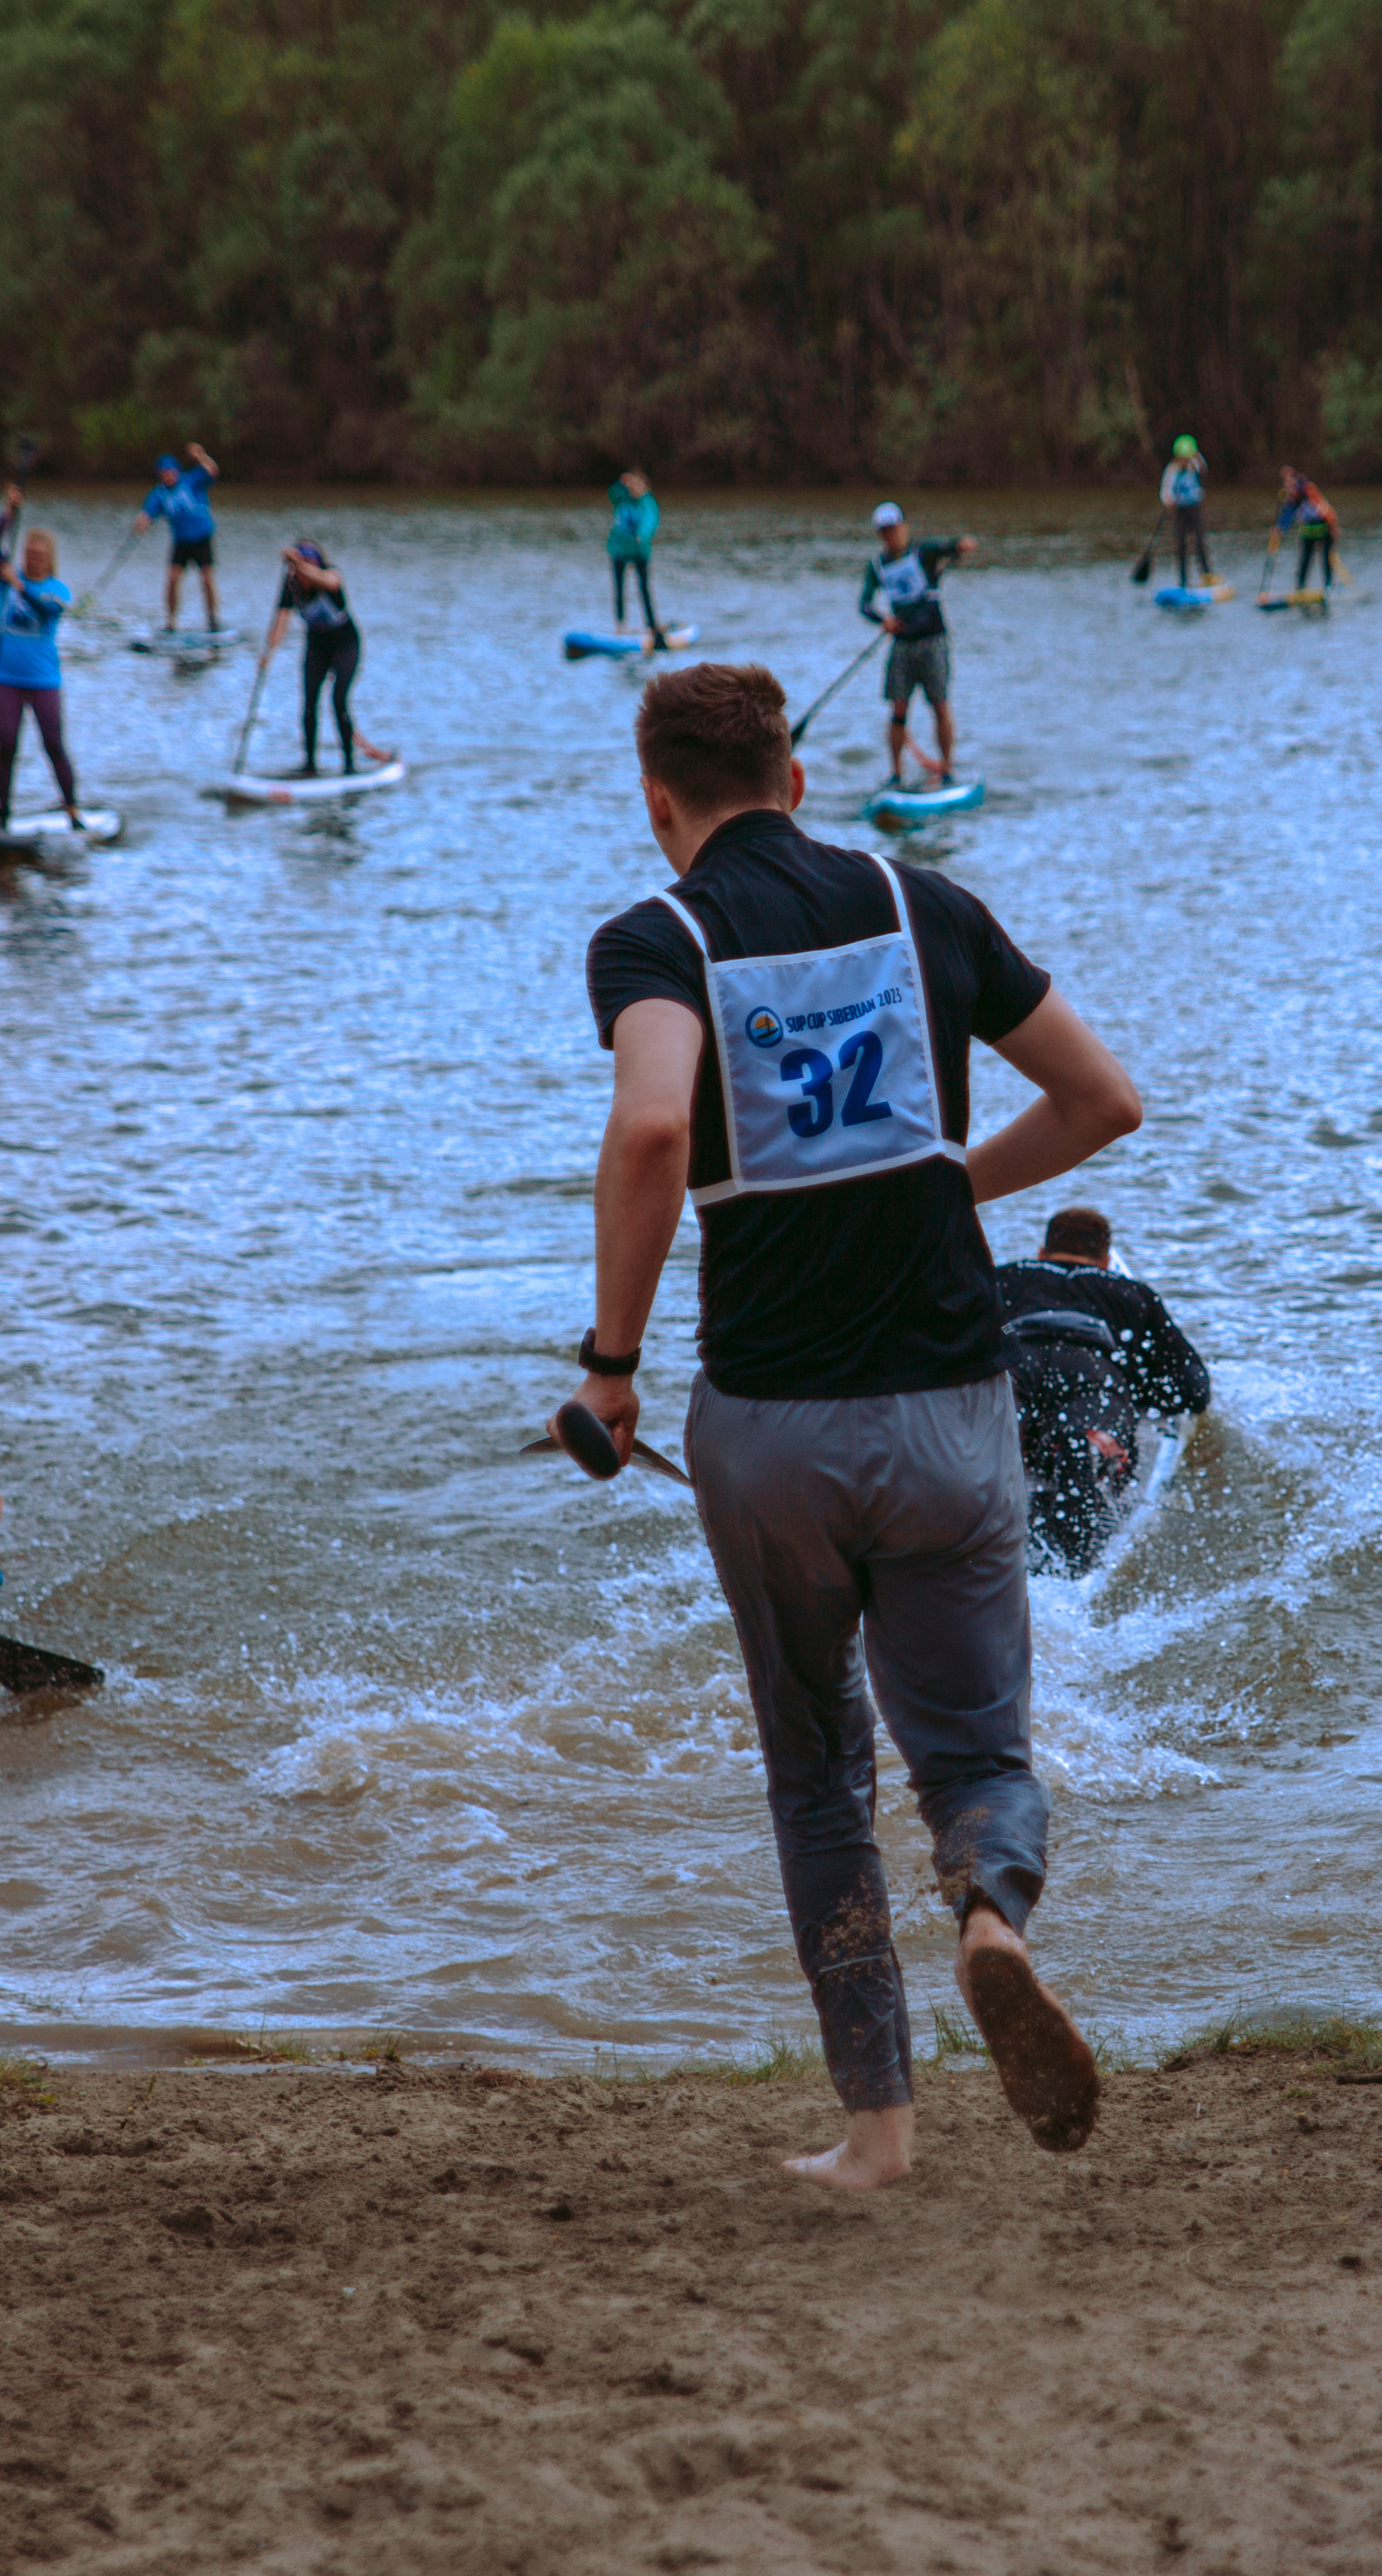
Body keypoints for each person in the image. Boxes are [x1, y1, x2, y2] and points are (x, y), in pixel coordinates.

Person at [568, 660, 1144, 2190]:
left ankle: (878, 2128)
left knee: (818, 1769)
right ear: (800, 778)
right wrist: (947, 1179)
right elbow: (1102, 1100)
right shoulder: (921, 903)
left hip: (769, 1429)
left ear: (658, 802)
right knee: (977, 1746)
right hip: (948, 1408)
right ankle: (990, 1919)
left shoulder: (655, 937)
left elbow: (650, 1124)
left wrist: (610, 1362)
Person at [996, 1208, 1209, 1576]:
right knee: (1084, 1439)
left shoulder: (1002, 1279)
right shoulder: (1130, 1293)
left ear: (1042, 1253)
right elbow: (1194, 1390)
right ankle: (1078, 1545)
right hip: (1093, 1373)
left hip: (1017, 1366)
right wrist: (1137, 1393)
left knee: (1002, 1429)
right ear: (1107, 1261)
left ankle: (1009, 1459)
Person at [858, 503, 976, 788]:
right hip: (903, 645)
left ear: (904, 527)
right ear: (880, 535)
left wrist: (962, 545)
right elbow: (865, 605)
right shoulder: (877, 566)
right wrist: (883, 620)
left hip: (933, 640)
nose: (892, 535)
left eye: (895, 529)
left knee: (940, 705)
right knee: (898, 709)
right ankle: (896, 775)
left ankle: (947, 769)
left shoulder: (924, 553)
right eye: (886, 532)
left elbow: (951, 546)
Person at [258, 540, 392, 777]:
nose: (301, 576)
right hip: (317, 647)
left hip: (346, 645)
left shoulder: (331, 576)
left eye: (305, 569)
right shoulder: (291, 585)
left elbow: (329, 581)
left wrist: (298, 563)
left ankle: (349, 766)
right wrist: (269, 653)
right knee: (309, 704)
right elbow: (281, 621)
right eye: (297, 571)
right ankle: (310, 766)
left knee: (339, 701)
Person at [0, 486, 78, 829]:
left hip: (43, 681)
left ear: (49, 558)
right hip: (6, 679)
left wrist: (21, 586)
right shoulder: (6, 580)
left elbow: (45, 611)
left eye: (39, 555)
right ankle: (2, 813)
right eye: (28, 553)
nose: (33, 559)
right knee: (7, 746)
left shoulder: (57, 590)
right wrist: (7, 514)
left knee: (53, 745)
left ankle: (72, 809)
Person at [134, 443, 221, 631]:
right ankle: (171, 622)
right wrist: (141, 523)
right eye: (163, 473)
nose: (167, 476)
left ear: (176, 471)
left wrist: (200, 455)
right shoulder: (159, 494)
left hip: (201, 538)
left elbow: (212, 471)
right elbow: (147, 514)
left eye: (170, 472)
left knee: (207, 579)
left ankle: (212, 619)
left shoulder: (191, 480)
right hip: (181, 541)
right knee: (173, 579)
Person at [606, 469, 663, 647]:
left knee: (644, 588)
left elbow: (651, 520)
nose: (634, 488)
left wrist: (642, 535)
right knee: (619, 588)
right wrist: (621, 483)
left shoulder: (647, 501)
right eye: (632, 485)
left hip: (640, 551)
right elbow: (611, 494)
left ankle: (652, 626)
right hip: (619, 550)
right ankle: (620, 626)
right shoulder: (622, 497)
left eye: (637, 485)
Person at [1274, 465, 1340, 594]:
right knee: (1305, 560)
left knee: (1325, 558)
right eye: (1287, 484)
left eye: (1291, 483)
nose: (1289, 487)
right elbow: (1286, 518)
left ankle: (1329, 588)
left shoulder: (1308, 490)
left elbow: (1326, 511)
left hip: (1324, 529)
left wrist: (1334, 529)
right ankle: (1300, 589)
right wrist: (1279, 529)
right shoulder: (1292, 502)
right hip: (1308, 532)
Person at [1161, 435, 1211, 589]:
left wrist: (1196, 454)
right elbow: (1166, 492)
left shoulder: (1196, 465)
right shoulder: (1172, 470)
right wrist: (1170, 500)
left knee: (1199, 542)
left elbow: (1204, 470)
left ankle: (1207, 576)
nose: (1184, 461)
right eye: (1181, 458)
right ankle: (1183, 580)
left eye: (1186, 458)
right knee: (1181, 544)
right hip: (1180, 511)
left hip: (1195, 508)